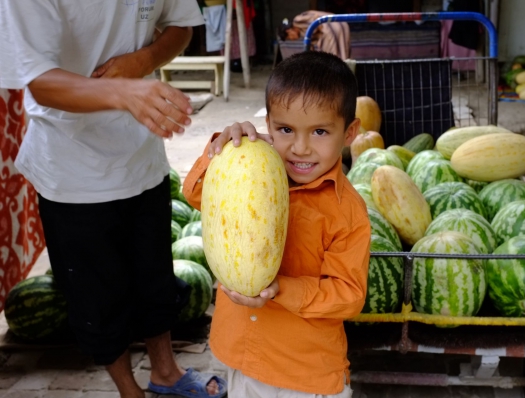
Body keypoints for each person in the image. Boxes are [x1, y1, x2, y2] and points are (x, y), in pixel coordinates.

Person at [0, 1, 226, 397]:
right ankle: (128, 389)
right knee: (97, 300)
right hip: (72, 170)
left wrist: (145, 58)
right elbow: (38, 80)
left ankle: (165, 372)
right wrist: (120, 92)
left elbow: (182, 24)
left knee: (155, 279)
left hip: (142, 157)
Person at [183, 51, 371, 397]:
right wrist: (223, 150)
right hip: (242, 359)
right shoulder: (249, 169)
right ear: (267, 125)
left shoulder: (349, 212)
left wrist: (282, 290)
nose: (300, 148)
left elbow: (348, 296)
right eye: (286, 129)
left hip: (305, 374)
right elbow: (195, 194)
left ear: (349, 132)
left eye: (319, 131)